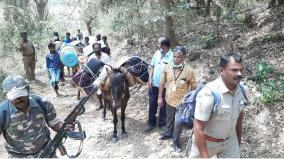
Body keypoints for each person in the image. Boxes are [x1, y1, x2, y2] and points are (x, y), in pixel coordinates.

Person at [189, 52, 248, 158]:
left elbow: (239, 115)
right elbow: (198, 128)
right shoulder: (209, 94)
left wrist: (237, 141)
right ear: (221, 71)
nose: (239, 74)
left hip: (230, 141)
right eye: (234, 70)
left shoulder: (242, 90)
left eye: (241, 70)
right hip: (206, 142)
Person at [0, 75, 73, 158]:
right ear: (6, 95)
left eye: (20, 94)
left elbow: (54, 123)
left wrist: (65, 128)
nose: (18, 98)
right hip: (18, 156)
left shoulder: (42, 103)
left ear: (27, 89)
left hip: (47, 151)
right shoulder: (2, 112)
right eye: (14, 96)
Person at [158, 46, 196, 152]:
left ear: (184, 57)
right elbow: (162, 82)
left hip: (182, 102)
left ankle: (175, 141)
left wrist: (190, 100)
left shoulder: (189, 71)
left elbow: (193, 86)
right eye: (174, 57)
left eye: (178, 57)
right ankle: (168, 133)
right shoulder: (166, 67)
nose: (175, 59)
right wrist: (160, 97)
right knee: (169, 118)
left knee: (178, 122)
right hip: (169, 99)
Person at [144, 36, 173, 133]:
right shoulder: (157, 53)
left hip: (165, 86)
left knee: (163, 105)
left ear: (164, 45)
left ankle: (162, 123)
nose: (157, 45)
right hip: (154, 84)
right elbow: (152, 66)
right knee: (152, 104)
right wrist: (149, 78)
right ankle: (151, 123)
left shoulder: (172, 56)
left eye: (158, 43)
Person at [88, 43, 111, 110]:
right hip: (96, 77)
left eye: (98, 48)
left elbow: (109, 66)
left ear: (101, 48)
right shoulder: (91, 57)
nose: (97, 49)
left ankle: (109, 103)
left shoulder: (106, 56)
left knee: (108, 88)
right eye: (95, 48)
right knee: (97, 90)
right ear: (93, 49)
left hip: (106, 75)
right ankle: (101, 104)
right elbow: (89, 68)